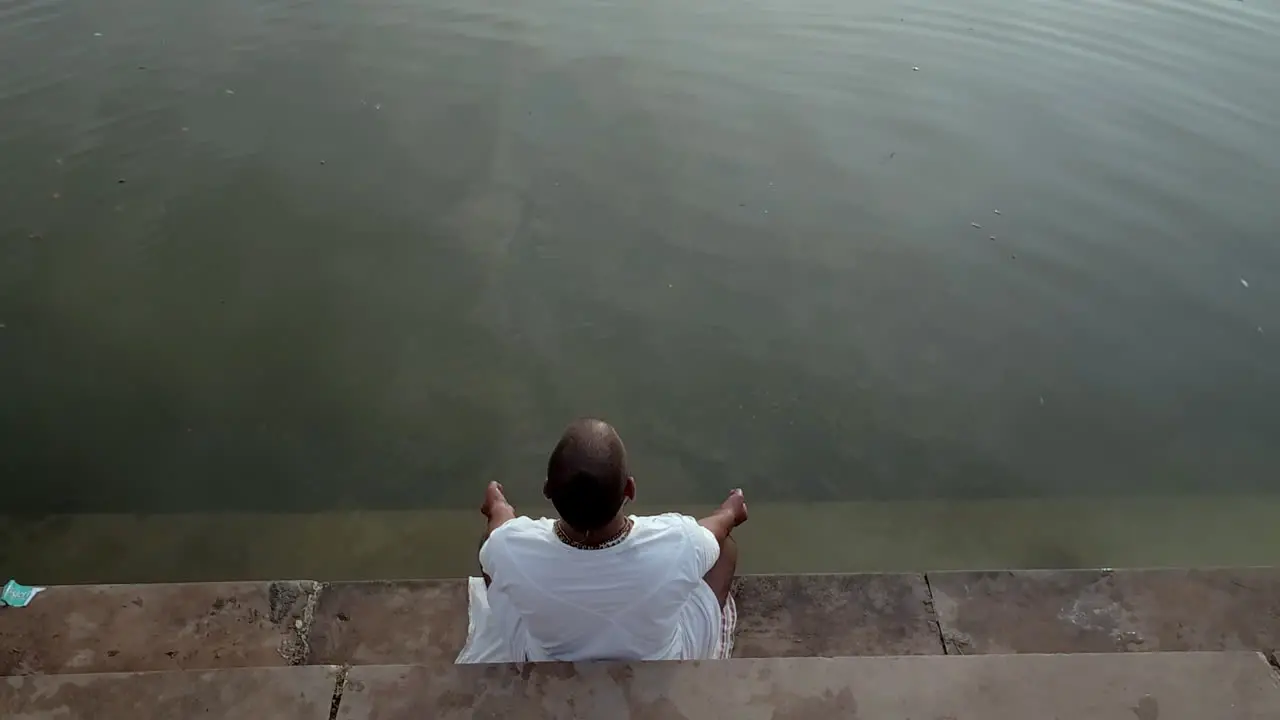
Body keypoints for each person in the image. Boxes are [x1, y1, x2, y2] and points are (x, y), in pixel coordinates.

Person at [467, 418, 748, 662]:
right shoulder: (679, 541)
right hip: (662, 661)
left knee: (489, 548)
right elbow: (716, 529)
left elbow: (498, 534)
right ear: (630, 488)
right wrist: (730, 511)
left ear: (547, 489)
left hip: (544, 661)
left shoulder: (513, 547)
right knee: (721, 549)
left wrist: (499, 508)